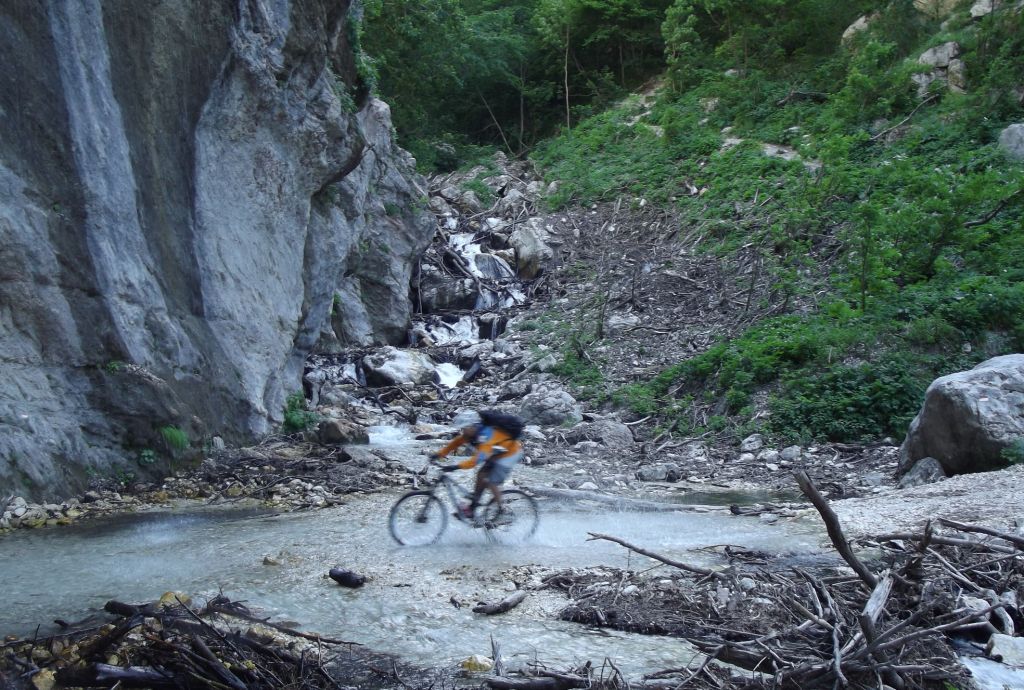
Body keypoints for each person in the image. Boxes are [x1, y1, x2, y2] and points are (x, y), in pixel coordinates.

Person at [429, 409, 523, 520]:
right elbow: (455, 443)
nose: (462, 431)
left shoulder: (486, 435)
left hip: (511, 454)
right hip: (498, 452)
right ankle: (472, 508)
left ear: (472, 426)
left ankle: (503, 511)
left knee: (491, 481)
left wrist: (456, 466)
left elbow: (476, 460)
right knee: (481, 475)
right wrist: (438, 454)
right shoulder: (470, 434)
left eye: (464, 428)